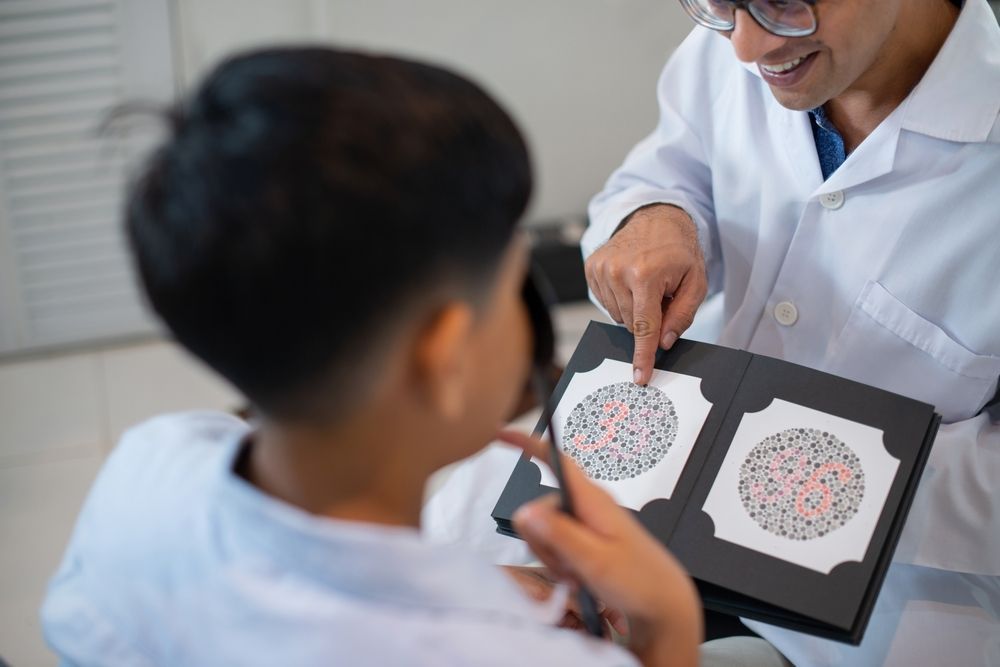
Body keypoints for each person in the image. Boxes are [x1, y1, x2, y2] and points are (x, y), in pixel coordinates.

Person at [40, 48, 704, 666]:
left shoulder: (151, 458)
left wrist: (473, 598)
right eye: (509, 288)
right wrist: (665, 622)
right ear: (442, 354)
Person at [583, 0, 1000, 664]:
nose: (746, 48)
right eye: (719, 3)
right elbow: (665, 169)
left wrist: (813, 472)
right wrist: (654, 214)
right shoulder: (728, 53)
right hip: (672, 518)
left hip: (897, 594)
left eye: (786, 1)